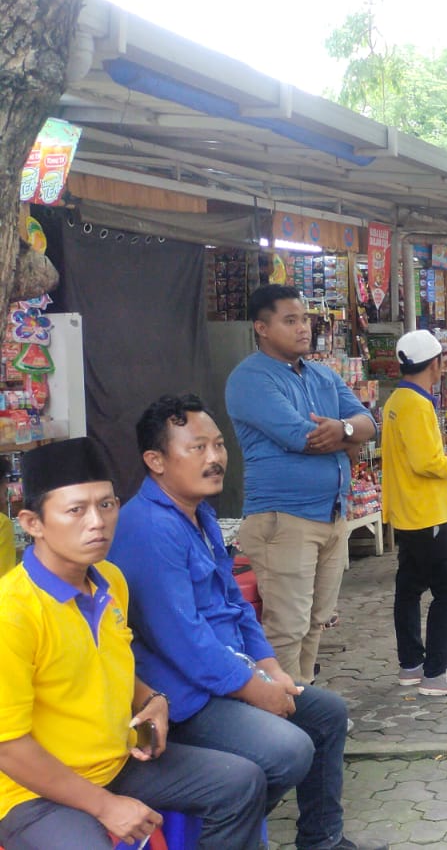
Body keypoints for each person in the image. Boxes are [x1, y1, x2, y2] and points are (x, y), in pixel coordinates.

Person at [109, 396, 386, 850]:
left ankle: (322, 839)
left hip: (226, 675)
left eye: (218, 445)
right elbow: (184, 641)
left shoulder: (198, 514)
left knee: (327, 714)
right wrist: (256, 689)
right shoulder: (149, 528)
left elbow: (234, 604)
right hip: (184, 697)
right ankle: (225, 829)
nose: (215, 458)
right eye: (197, 448)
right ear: (155, 461)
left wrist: (270, 667)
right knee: (287, 751)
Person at [0, 439, 267, 850]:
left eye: (107, 505)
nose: (98, 522)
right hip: (33, 791)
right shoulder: (12, 612)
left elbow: (109, 664)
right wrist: (106, 806)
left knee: (241, 782)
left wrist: (151, 699)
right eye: (76, 510)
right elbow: (8, 747)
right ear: (32, 523)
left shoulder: (110, 580)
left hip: (116, 763)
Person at [226, 285, 377, 683]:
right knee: (287, 627)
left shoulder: (322, 375)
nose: (303, 328)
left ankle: (305, 700)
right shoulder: (251, 379)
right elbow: (303, 437)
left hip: (332, 516)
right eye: (290, 320)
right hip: (284, 519)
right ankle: (283, 708)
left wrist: (344, 429)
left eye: (304, 319)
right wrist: (348, 436)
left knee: (315, 621)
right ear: (261, 328)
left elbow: (368, 422)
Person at [382, 331, 447, 697]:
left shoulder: (398, 399)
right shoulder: (417, 404)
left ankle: (411, 664)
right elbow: (427, 463)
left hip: (407, 510)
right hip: (424, 513)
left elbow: (417, 455)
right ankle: (436, 672)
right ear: (435, 363)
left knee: (409, 588)